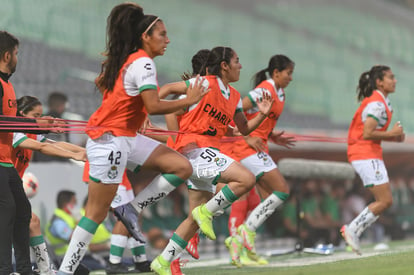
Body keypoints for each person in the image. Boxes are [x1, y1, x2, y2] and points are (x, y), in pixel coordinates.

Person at [56, 3, 207, 274]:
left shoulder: (130, 59)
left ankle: (130, 209)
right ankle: (65, 271)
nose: (167, 39)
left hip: (125, 137)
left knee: (182, 166)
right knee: (96, 213)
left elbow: (131, 99)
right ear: (145, 37)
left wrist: (137, 112)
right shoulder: (142, 62)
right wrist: (189, 99)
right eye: (162, 34)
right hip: (110, 141)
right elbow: (153, 105)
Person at [149, 46, 274, 275]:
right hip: (194, 152)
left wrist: (262, 113)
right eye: (237, 61)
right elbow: (166, 88)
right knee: (246, 179)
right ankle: (206, 213)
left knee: (192, 221)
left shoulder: (234, 96)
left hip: (205, 153)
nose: (241, 66)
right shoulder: (205, 83)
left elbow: (241, 130)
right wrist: (145, 109)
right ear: (224, 66)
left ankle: (164, 261)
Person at [219, 54, 295, 266]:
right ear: (276, 73)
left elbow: (260, 119)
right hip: (247, 148)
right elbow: (237, 109)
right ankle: (246, 232)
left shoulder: (280, 93)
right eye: (288, 74)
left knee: (264, 199)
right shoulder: (265, 89)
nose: (291, 78)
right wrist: (247, 135)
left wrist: (272, 135)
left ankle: (240, 245)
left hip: (258, 147)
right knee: (281, 190)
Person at [0, 30, 57, 275]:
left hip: (5, 163)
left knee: (22, 211)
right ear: (6, 55)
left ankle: (24, 270)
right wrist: (34, 125)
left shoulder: (8, 84)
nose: (17, 57)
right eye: (16, 53)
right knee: (8, 212)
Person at [12, 95, 86, 275]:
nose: (40, 119)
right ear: (22, 114)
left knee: (32, 222)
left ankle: (45, 270)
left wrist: (83, 151)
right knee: (28, 223)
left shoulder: (31, 132)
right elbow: (42, 148)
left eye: (40, 115)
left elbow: (56, 143)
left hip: (13, 187)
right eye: (36, 115)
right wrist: (74, 156)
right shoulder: (13, 132)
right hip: (5, 186)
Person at [341, 65, 405, 255]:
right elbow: (367, 133)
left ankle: (353, 231)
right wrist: (391, 133)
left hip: (370, 153)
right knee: (384, 200)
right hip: (364, 153)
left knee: (385, 201)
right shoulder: (377, 104)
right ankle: (352, 230)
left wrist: (394, 136)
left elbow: (373, 133)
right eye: (390, 77)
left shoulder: (383, 102)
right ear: (379, 82)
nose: (395, 80)